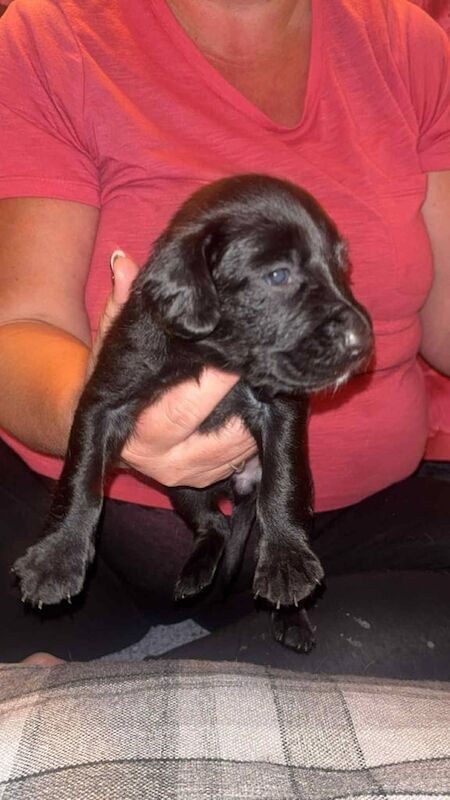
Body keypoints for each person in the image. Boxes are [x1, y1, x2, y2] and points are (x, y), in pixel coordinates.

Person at [0, 0, 449, 676]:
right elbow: (18, 326)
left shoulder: (409, 42)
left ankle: (126, 697)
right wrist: (113, 420)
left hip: (344, 532)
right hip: (75, 515)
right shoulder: (52, 32)